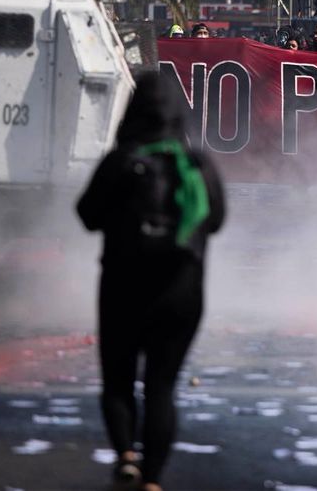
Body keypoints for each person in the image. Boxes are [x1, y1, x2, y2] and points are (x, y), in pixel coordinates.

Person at [77, 72, 226, 491]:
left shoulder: (122, 159)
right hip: (182, 289)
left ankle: (126, 454)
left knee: (118, 381)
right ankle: (154, 480)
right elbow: (215, 222)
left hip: (123, 284)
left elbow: (87, 216)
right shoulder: (196, 163)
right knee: (161, 388)